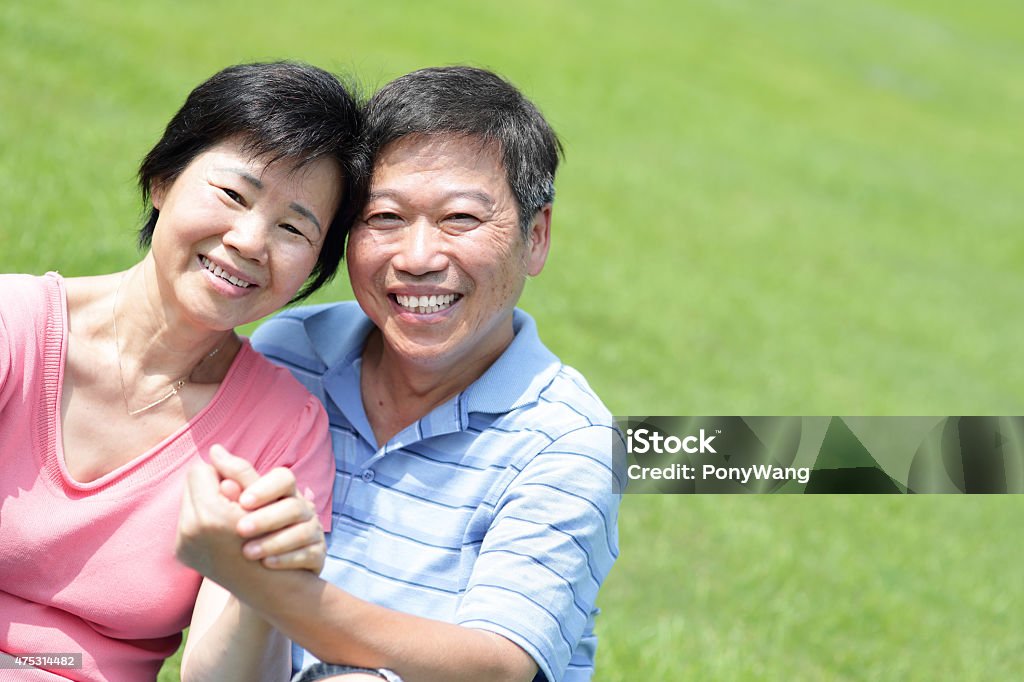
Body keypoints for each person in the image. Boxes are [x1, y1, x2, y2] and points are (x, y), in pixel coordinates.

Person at [176, 66, 622, 682]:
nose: (416, 259)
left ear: (536, 236)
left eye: (461, 219)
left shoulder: (568, 441)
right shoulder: (291, 353)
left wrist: (276, 589)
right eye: (384, 217)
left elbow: (499, 666)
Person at [0, 61, 364, 681]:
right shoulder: (15, 327)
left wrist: (261, 584)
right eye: (233, 194)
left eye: (293, 228)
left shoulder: (282, 433)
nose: (250, 240)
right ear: (163, 179)